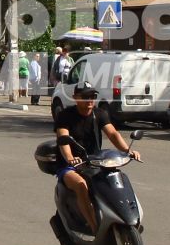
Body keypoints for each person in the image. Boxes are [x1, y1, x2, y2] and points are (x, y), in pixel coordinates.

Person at [54, 84, 141, 231]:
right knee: (81, 185)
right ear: (75, 98)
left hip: (94, 161)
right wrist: (69, 157)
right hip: (70, 165)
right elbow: (63, 137)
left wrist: (128, 150)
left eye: (93, 97)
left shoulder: (99, 114)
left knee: (116, 179)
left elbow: (112, 134)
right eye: (86, 97)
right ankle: (95, 228)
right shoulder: (65, 116)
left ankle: (123, 216)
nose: (90, 100)